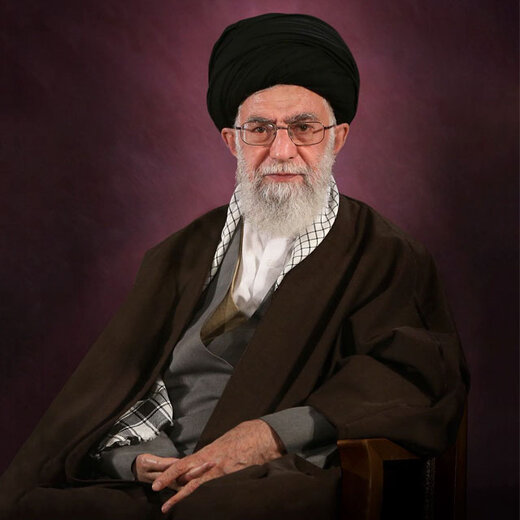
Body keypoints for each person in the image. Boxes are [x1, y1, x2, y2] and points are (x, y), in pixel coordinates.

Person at [0, 13, 469, 520]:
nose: (282, 151)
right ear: (232, 141)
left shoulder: (388, 256)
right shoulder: (178, 254)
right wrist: (137, 458)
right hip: (157, 476)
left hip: (278, 474)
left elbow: (410, 380)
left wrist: (267, 435)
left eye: (304, 128)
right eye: (260, 129)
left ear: (337, 138)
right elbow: (118, 388)